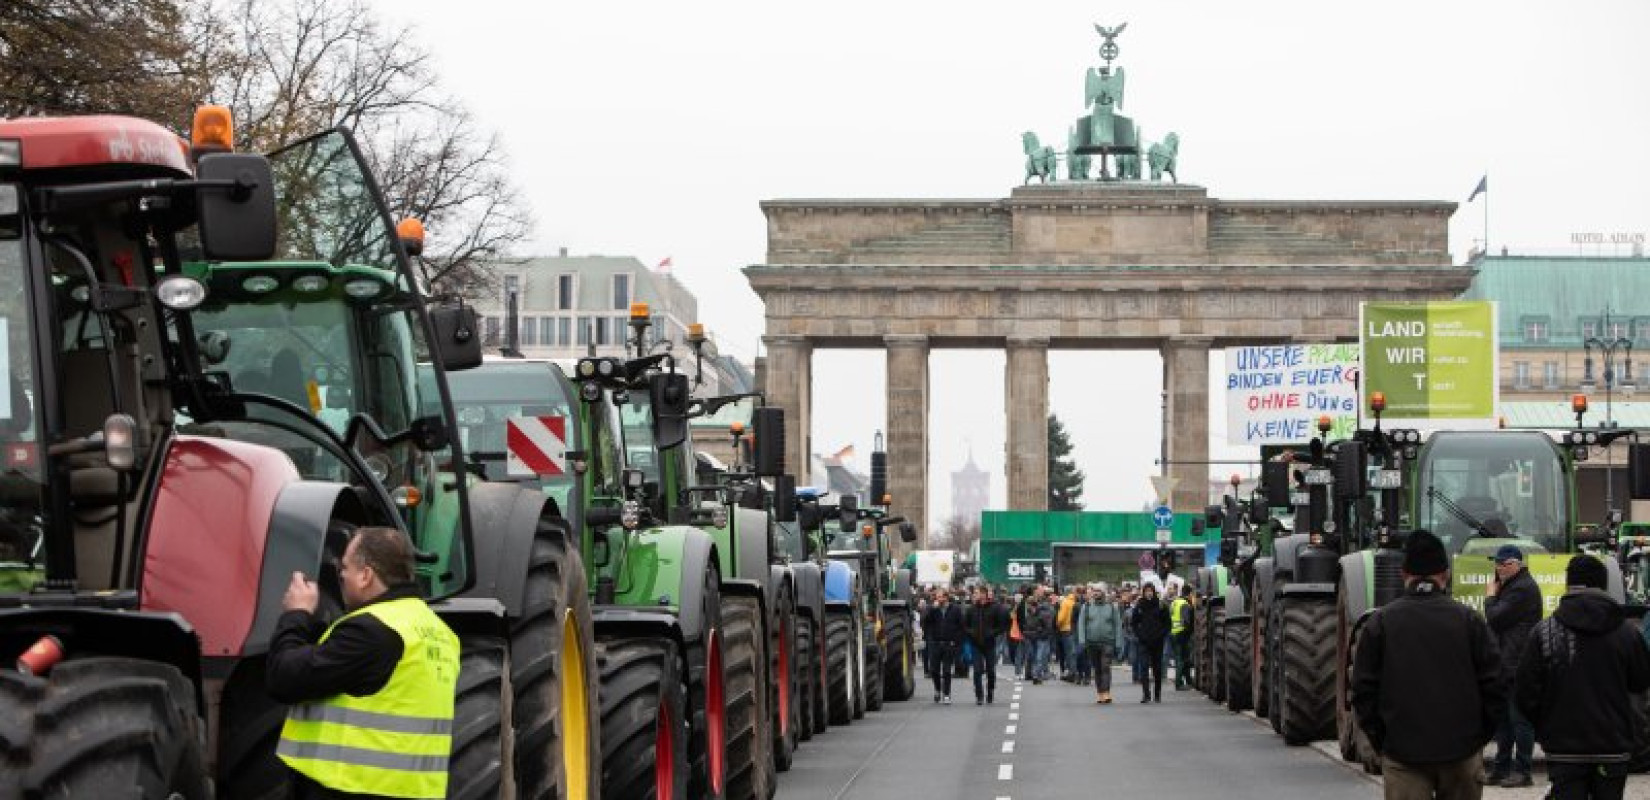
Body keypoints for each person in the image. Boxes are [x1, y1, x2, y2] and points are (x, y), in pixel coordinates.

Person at [268, 527, 460, 800]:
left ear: (366, 575)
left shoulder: (372, 631)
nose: (342, 577)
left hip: (352, 788)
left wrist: (296, 614)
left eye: (345, 568)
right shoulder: (439, 632)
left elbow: (284, 678)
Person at [1351, 531, 1501, 800]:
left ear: (1403, 574)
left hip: (1402, 753)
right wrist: (1478, 738)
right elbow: (1495, 685)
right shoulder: (1470, 621)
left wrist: (1383, 741)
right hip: (1462, 752)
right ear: (1446, 575)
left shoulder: (1381, 623)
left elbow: (1363, 691)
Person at [1515, 555, 1650, 800]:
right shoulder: (1628, 633)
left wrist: (1547, 727)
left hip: (1563, 749)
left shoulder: (1544, 631)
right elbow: (1641, 684)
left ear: (1568, 585)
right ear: (1604, 586)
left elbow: (1524, 692)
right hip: (1613, 747)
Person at [1482, 544, 1541, 788]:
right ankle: (1500, 769)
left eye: (1505, 564)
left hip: (1518, 663)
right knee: (1504, 720)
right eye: (1497, 563)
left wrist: (1490, 596)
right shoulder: (1512, 586)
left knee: (1519, 719)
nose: (1499, 568)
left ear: (1518, 564)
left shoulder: (1522, 588)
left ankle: (1523, 771)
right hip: (1507, 661)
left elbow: (1495, 618)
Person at [1077, 583, 1123, 704]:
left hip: (1108, 642)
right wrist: (1082, 641)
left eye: (1098, 591)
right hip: (1092, 642)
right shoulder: (1087, 607)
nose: (1096, 593)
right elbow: (1081, 624)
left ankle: (1106, 692)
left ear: (1103, 592)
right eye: (1094, 591)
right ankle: (1100, 693)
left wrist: (1118, 643)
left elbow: (1117, 626)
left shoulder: (1112, 607)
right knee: (1097, 668)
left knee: (1105, 667)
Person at [963, 585, 1008, 704]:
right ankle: (979, 695)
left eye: (977, 593)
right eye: (975, 593)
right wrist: (971, 632)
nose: (975, 595)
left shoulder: (994, 608)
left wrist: (992, 633)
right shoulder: (971, 609)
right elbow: (965, 625)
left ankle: (990, 691)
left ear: (984, 594)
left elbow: (1002, 626)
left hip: (989, 644)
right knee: (977, 670)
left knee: (990, 671)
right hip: (975, 644)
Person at [922, 588, 964, 703]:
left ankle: (946, 694)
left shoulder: (955, 609)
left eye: (940, 597)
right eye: (937, 597)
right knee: (934, 670)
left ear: (946, 597)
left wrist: (956, 641)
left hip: (949, 643)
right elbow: (925, 622)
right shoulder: (932, 609)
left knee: (946, 671)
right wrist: (932, 609)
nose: (938, 599)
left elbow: (961, 626)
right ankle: (937, 689)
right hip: (935, 643)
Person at [1130, 583, 1170, 703]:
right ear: (1143, 592)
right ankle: (1146, 694)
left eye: (1150, 591)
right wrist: (1140, 635)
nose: (1149, 593)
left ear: (1154, 592)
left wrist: (1161, 635)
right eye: (1146, 591)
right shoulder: (1139, 605)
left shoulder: (1161, 605)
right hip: (1144, 641)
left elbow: (1167, 623)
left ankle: (1157, 694)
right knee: (1143, 667)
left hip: (1157, 641)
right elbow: (1134, 623)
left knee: (1157, 668)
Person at [1024, 588, 1056, 684]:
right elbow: (1027, 627)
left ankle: (1036, 675)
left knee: (1039, 657)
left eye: (1030, 606)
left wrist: (1041, 634)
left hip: (1041, 638)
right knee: (1035, 657)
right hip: (1033, 638)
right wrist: (1028, 634)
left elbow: (1048, 627)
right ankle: (1037, 675)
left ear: (1034, 606)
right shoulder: (1030, 615)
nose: (1029, 608)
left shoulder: (1042, 614)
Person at [1171, 584, 1195, 690]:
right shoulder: (1185, 604)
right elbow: (1186, 621)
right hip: (1182, 633)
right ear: (1189, 594)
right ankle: (1178, 683)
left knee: (1180, 658)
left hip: (1173, 632)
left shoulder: (1174, 602)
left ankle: (1187, 680)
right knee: (1182, 659)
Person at [1055, 586, 1079, 681]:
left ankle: (1071, 673)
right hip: (1074, 629)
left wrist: (1058, 624)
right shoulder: (1074, 601)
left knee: (1069, 653)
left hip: (1065, 629)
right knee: (1073, 652)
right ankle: (1075, 671)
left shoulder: (1065, 602)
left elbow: (1061, 618)